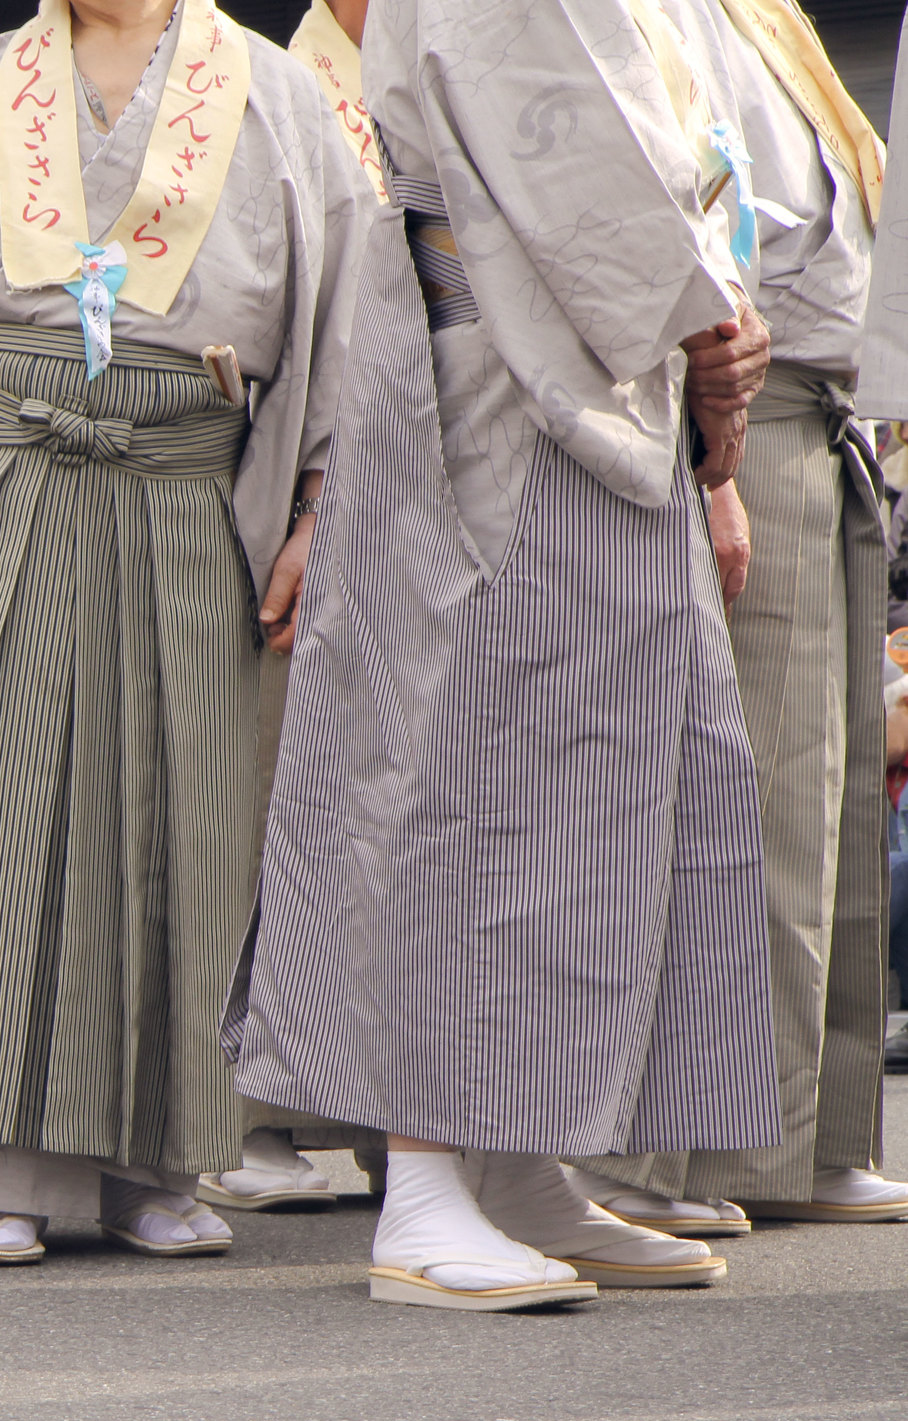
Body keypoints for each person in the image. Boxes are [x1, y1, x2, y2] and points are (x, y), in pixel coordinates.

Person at [0, 0, 362, 1265]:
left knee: (178, 818)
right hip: (0, 481)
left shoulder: (278, 97)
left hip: (190, 490)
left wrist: (318, 511)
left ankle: (152, 1157)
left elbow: (343, 336)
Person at [230, 0, 781, 1309]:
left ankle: (526, 1161)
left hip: (596, 366)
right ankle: (421, 1183)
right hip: (499, 375)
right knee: (468, 765)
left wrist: (714, 309)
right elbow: (578, 158)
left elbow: (688, 153)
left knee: (598, 775)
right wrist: (704, 331)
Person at [570, 0, 908, 1232]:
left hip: (824, 409)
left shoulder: (759, 12)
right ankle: (692, 1143)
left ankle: (805, 1132)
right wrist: (712, 465)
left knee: (827, 796)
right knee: (747, 787)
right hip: (739, 406)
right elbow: (686, 215)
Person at [197, 0, 387, 1214]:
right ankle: (248, 1100)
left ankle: (375, 1105)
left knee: (376, 801)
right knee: (263, 790)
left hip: (410, 460)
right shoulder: (275, 86)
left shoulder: (413, 69)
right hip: (294, 472)